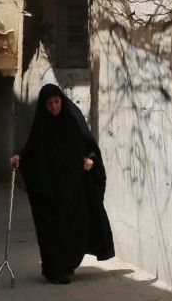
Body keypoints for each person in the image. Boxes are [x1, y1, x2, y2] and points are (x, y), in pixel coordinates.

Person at [9, 83, 115, 284]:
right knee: (54, 229)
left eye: (56, 101)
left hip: (74, 188)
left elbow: (89, 146)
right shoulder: (42, 127)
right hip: (51, 190)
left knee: (75, 227)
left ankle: (66, 265)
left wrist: (90, 159)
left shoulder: (73, 121)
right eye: (49, 104)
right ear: (44, 106)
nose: (54, 107)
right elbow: (31, 150)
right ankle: (54, 271)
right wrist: (19, 158)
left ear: (62, 101)